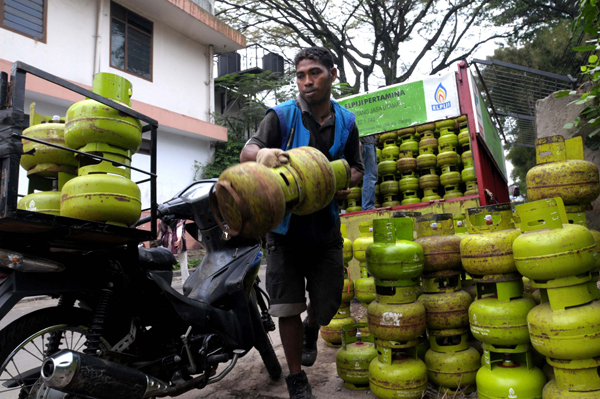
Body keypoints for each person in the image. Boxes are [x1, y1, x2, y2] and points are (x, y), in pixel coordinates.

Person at [240, 47, 364, 399]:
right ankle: (296, 378)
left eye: (315, 73)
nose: (307, 81)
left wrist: (341, 181)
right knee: (287, 306)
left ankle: (314, 327)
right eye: (301, 75)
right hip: (284, 231)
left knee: (326, 303)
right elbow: (248, 150)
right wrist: (261, 154)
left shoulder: (347, 121)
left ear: (332, 74)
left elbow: (357, 168)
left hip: (325, 228)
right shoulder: (280, 116)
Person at [158, 217, 189, 281]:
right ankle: (185, 281)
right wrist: (179, 239)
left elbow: (162, 230)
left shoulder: (164, 217)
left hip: (167, 240)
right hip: (178, 241)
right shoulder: (178, 216)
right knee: (183, 261)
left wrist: (161, 240)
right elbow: (179, 228)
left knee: (167, 262)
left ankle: (166, 281)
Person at [360, 134, 378, 210]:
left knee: (372, 174)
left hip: (370, 142)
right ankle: (367, 206)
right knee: (370, 174)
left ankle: (368, 205)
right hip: (365, 143)